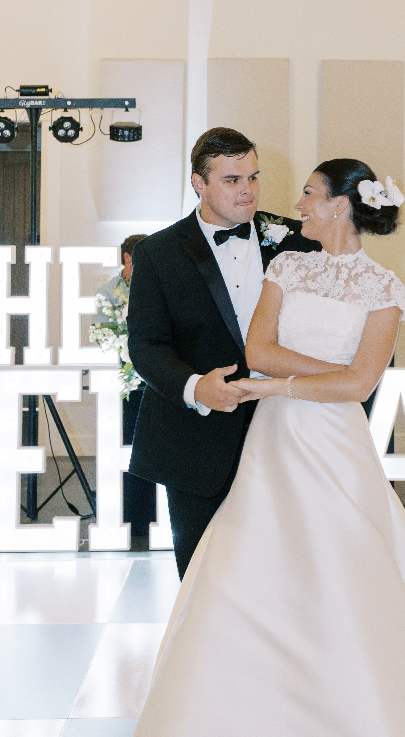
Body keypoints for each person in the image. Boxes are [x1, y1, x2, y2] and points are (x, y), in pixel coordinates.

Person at [116, 159, 405, 737]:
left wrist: (291, 385)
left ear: (338, 205)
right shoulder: (288, 269)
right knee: (245, 578)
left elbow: (360, 387)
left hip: (334, 445)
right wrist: (316, 378)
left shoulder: (386, 287)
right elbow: (259, 347)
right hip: (275, 440)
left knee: (341, 583)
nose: (293, 201)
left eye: (308, 192)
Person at [126, 127, 319, 579]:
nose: (247, 190)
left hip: (287, 433)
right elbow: (146, 344)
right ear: (199, 183)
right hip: (196, 442)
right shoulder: (157, 253)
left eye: (253, 177)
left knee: (286, 575)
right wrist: (196, 388)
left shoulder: (297, 240)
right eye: (232, 180)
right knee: (204, 579)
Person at [116, 233, 156, 540]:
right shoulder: (109, 291)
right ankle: (135, 520)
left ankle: (158, 518)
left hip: (157, 384)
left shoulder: (159, 284)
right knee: (129, 451)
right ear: (129, 258)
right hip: (128, 385)